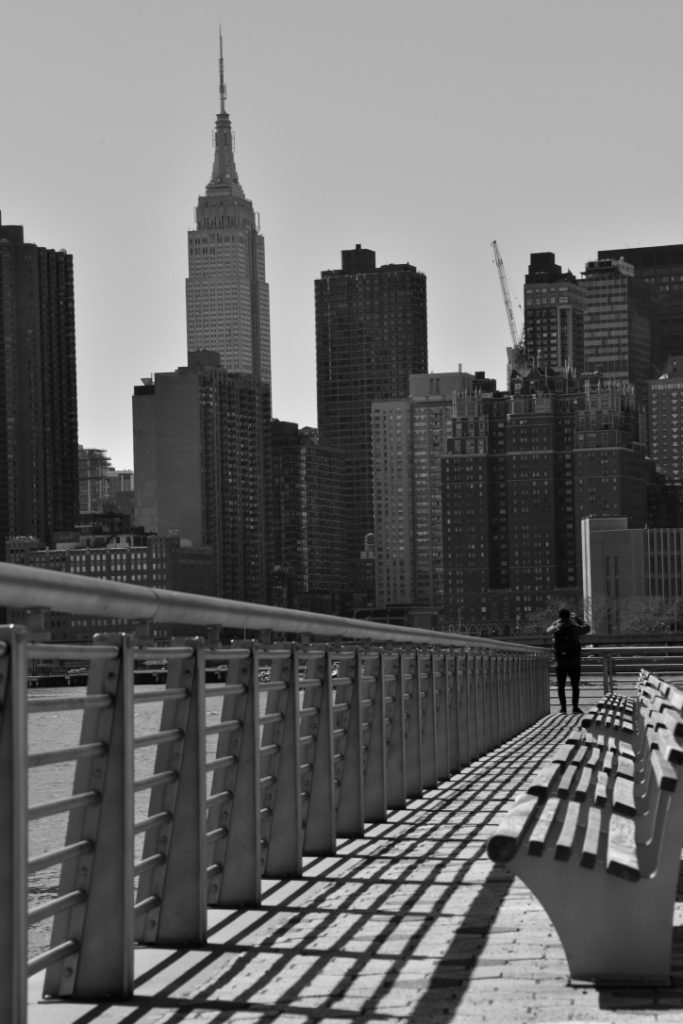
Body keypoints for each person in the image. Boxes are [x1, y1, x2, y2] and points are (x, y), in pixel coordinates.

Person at [546, 606, 591, 714]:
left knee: (561, 686)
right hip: (574, 662)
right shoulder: (575, 628)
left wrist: (558, 621)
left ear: (560, 617)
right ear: (569, 616)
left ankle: (563, 709)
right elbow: (587, 628)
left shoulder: (556, 627)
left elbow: (547, 630)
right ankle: (575, 708)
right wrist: (577, 618)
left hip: (560, 662)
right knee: (575, 686)